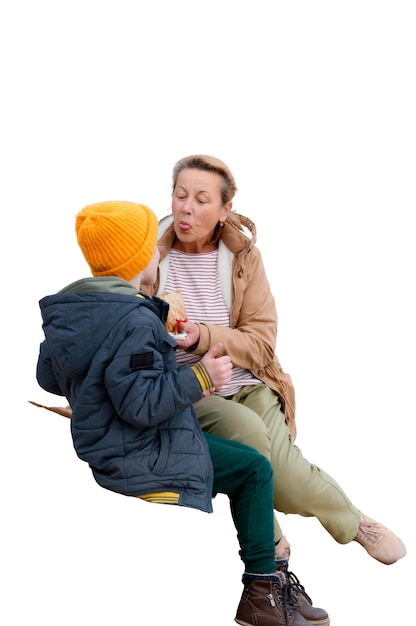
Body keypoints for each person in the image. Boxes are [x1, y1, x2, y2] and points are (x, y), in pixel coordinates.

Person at [35, 200, 326, 626]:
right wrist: (203, 377)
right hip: (136, 450)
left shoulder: (77, 311)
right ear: (138, 260)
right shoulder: (133, 320)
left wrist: (153, 348)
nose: (159, 252)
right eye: (151, 246)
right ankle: (262, 593)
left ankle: (274, 586)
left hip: (106, 441)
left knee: (242, 446)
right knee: (255, 470)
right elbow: (140, 404)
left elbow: (49, 376)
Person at [139, 154, 406, 571]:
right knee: (250, 442)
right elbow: (121, 322)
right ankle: (271, 539)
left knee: (284, 472)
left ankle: (354, 523)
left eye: (201, 199)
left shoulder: (244, 258)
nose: (186, 208)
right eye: (180, 195)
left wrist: (204, 335)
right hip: (193, 388)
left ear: (225, 210)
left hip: (250, 382)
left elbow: (261, 344)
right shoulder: (147, 252)